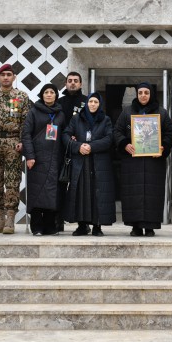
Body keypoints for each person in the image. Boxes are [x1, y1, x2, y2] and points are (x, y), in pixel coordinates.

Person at [114, 82, 172, 237]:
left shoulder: (162, 112)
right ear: (137, 94)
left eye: (146, 92)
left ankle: (150, 227)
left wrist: (163, 147)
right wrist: (124, 144)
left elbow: (169, 133)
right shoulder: (127, 112)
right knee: (133, 193)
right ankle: (135, 227)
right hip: (132, 161)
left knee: (152, 193)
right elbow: (117, 131)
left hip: (154, 161)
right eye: (140, 92)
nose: (143, 95)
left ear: (151, 94)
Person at [62, 93, 116, 236]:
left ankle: (97, 226)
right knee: (81, 193)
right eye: (90, 101)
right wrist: (78, 146)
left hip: (99, 163)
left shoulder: (105, 120)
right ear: (86, 103)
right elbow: (66, 135)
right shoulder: (76, 118)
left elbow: (109, 139)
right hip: (81, 162)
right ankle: (82, 225)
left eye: (96, 102)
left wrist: (91, 147)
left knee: (97, 194)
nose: (93, 104)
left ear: (100, 104)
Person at [0, 63, 31, 234]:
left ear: (14, 77)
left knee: (12, 180)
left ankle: (10, 218)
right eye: (3, 74)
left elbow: (26, 122)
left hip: (13, 143)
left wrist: (22, 141)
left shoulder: (21, 97)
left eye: (9, 74)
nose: (6, 77)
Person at [21, 83, 67, 236]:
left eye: (52, 92)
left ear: (56, 95)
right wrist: (30, 156)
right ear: (42, 95)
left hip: (55, 158)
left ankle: (50, 226)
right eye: (46, 92)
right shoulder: (33, 112)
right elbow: (26, 134)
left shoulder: (60, 114)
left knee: (51, 193)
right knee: (37, 192)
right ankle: (37, 226)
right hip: (37, 159)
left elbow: (64, 133)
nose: (49, 95)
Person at [56, 71, 88, 232]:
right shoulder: (59, 102)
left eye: (76, 81)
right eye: (70, 81)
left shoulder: (88, 102)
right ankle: (58, 221)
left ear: (81, 84)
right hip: (61, 149)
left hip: (81, 150)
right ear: (66, 83)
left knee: (80, 187)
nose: (73, 83)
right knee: (59, 186)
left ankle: (83, 223)